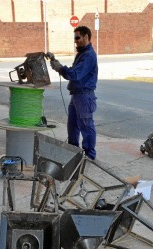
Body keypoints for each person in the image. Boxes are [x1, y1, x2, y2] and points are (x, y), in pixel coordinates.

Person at [49, 26, 98, 160]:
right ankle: (73, 150)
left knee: (86, 126)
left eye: (78, 37)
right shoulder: (82, 54)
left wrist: (60, 68)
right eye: (74, 38)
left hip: (84, 95)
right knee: (73, 125)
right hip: (77, 95)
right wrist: (57, 63)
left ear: (86, 37)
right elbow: (73, 71)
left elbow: (75, 74)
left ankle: (89, 155)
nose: (75, 41)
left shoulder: (88, 55)